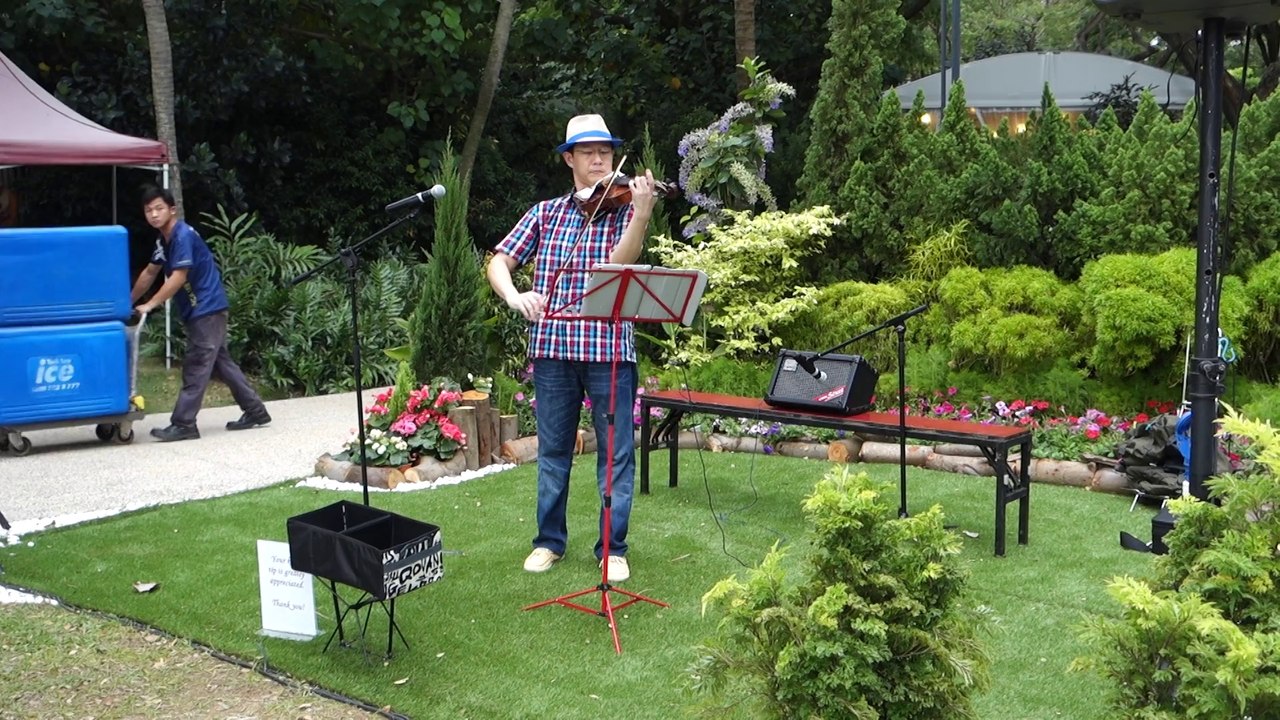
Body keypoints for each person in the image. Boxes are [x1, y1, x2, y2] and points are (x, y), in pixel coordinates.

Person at [487, 114, 657, 582]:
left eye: (605, 150)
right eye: (588, 151)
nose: (600, 158)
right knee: (554, 450)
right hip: (553, 348)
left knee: (615, 452)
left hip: (609, 349)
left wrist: (641, 213)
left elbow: (619, 266)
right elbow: (500, 261)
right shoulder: (545, 213)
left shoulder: (623, 208)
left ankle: (612, 547)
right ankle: (548, 542)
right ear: (569, 159)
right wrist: (514, 295)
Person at [130, 186, 272, 441]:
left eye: (159, 208)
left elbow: (178, 277)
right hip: (202, 309)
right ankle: (255, 411)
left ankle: (184, 423)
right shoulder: (164, 240)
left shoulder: (182, 236)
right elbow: (151, 272)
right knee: (221, 364)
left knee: (196, 366)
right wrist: (129, 302)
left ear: (172, 210)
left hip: (207, 309)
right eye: (149, 210)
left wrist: (151, 304)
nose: (153, 214)